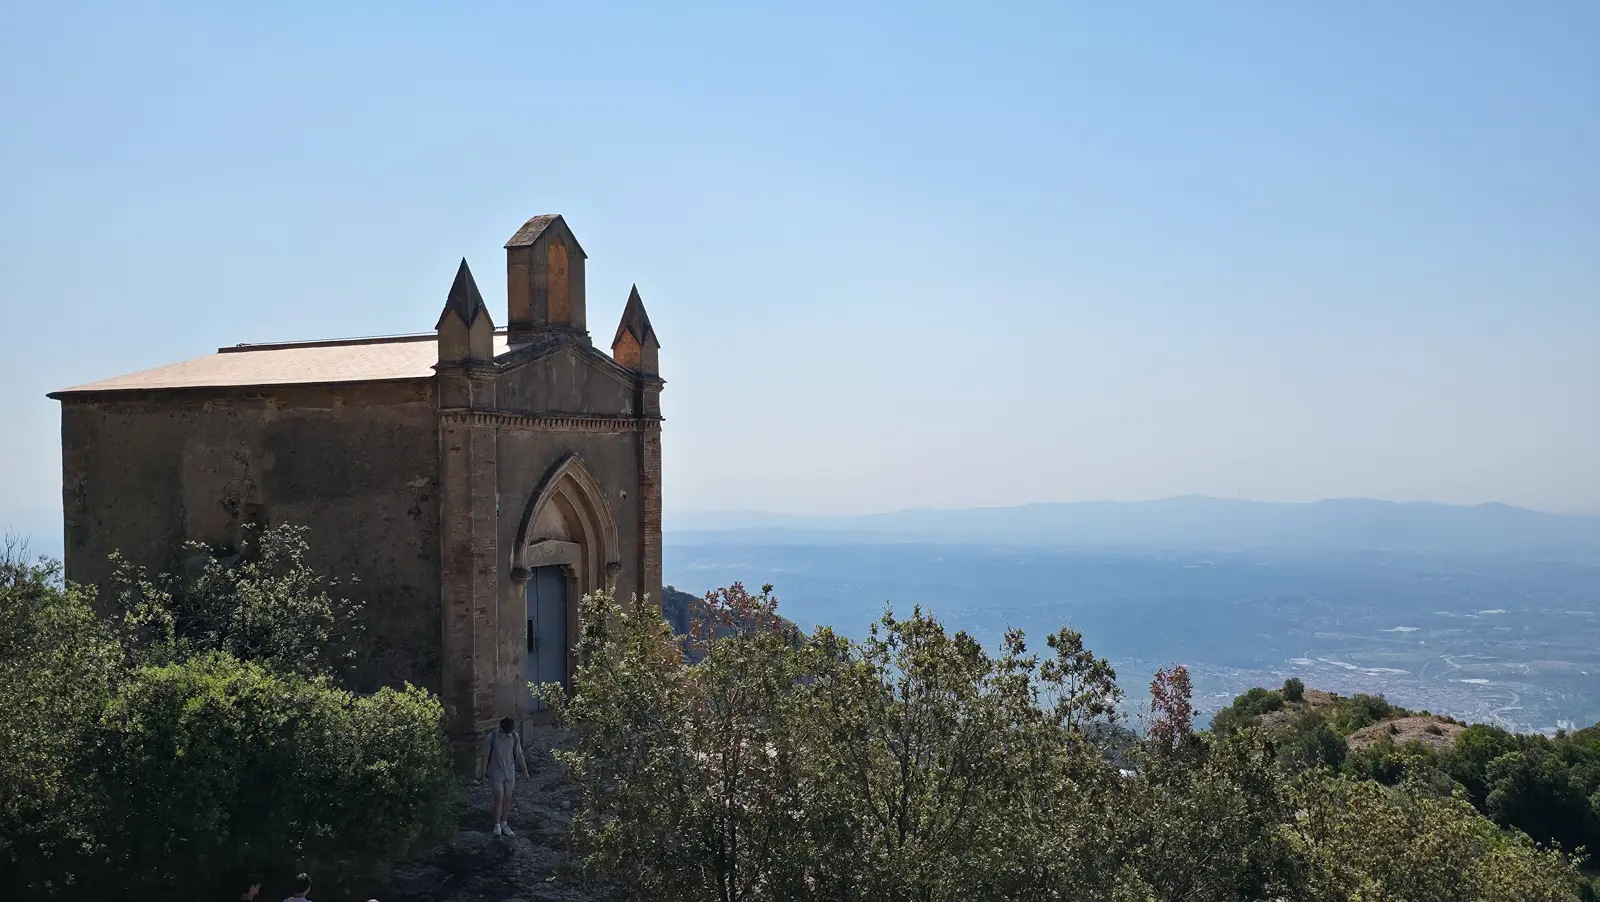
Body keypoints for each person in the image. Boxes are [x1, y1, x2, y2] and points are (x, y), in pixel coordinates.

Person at [477, 716, 529, 836]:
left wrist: (525, 771)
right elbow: (485, 757)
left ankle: (504, 823)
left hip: (510, 774)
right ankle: (497, 826)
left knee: (508, 799)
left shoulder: (514, 737)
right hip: (496, 773)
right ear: (501, 727)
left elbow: (519, 754)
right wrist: (483, 775)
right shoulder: (492, 738)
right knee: (499, 799)